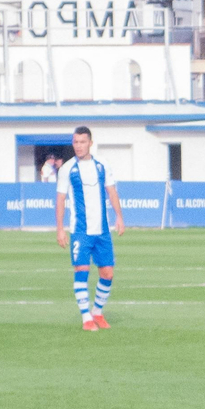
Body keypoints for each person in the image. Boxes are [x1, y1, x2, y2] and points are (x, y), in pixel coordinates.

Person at [56, 126, 126, 331]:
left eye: (82, 142)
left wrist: (119, 217)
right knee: (82, 270)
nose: (78, 146)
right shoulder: (67, 169)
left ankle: (97, 312)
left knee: (108, 273)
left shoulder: (102, 165)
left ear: (90, 143)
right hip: (80, 231)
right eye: (75, 142)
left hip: (102, 230)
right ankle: (86, 317)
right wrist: (60, 229)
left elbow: (111, 192)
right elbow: (60, 199)